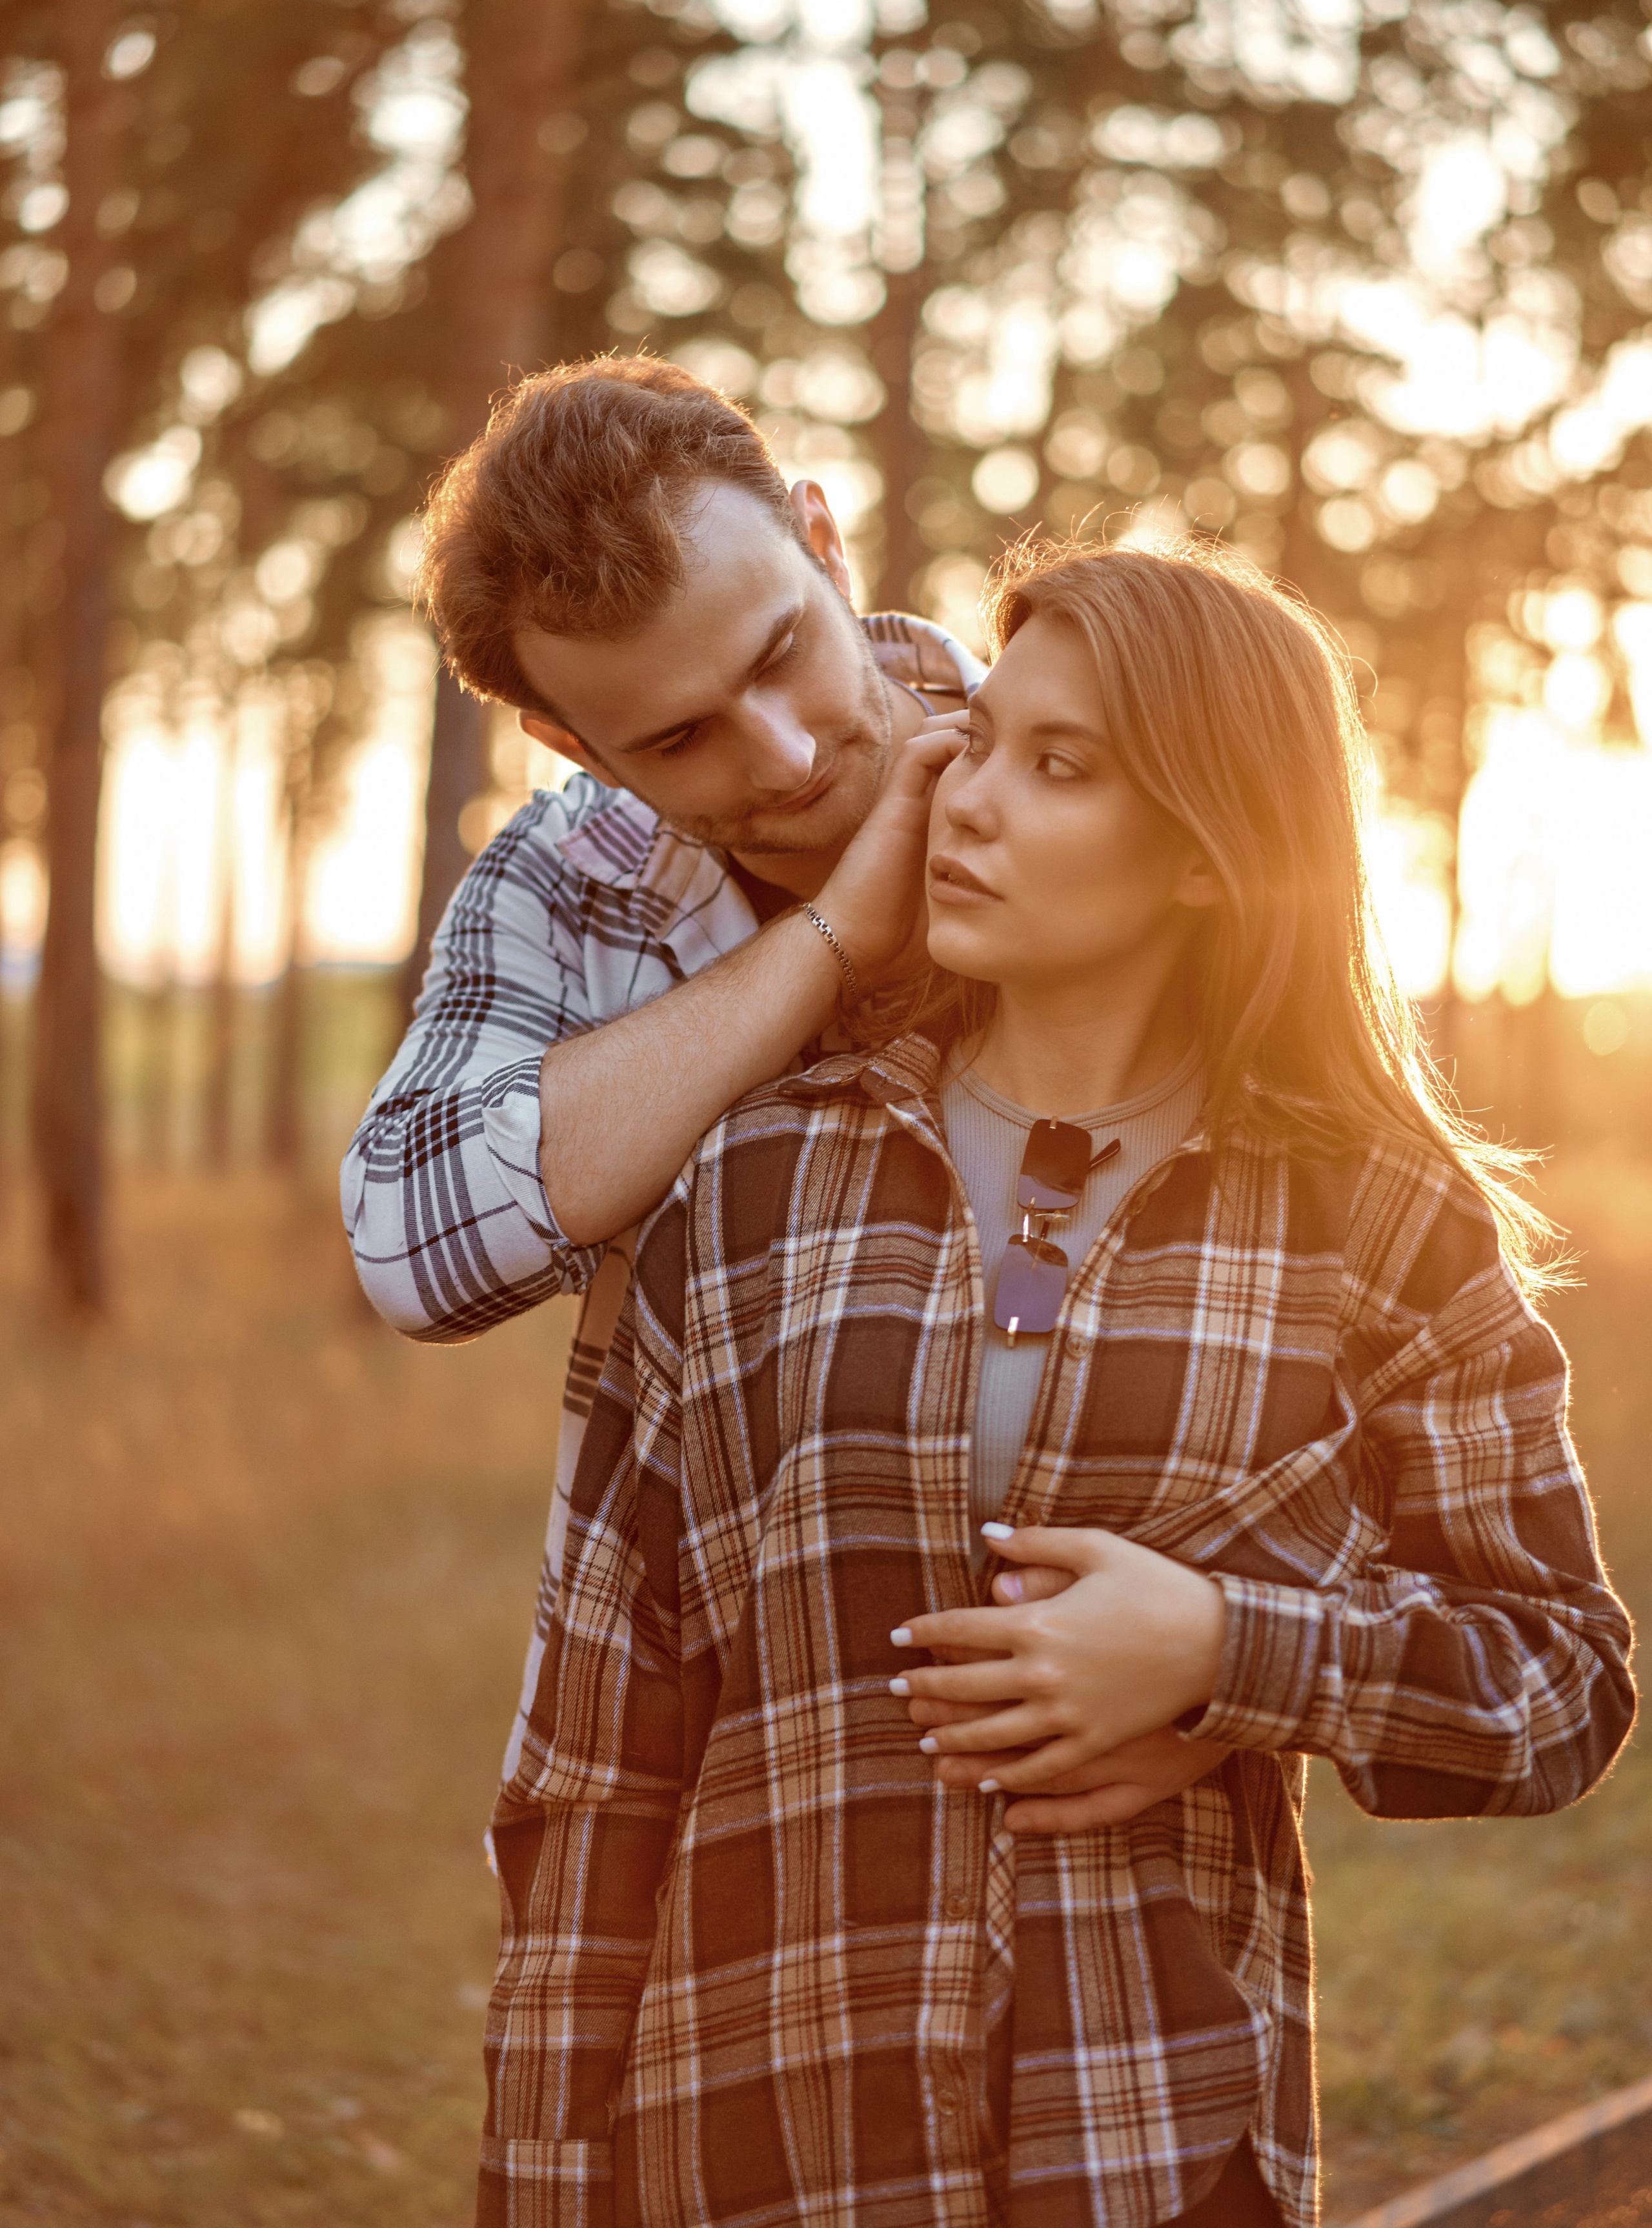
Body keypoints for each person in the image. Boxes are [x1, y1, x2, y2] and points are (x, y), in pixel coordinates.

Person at [480, 537, 1633, 2228]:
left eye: (1060, 766)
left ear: (1208, 849)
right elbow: (595, 1750)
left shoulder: (1379, 1220)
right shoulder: (748, 1182)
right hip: (763, 2137)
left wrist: (1229, 1650)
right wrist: (536, 2178)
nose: (966, 800)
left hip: (1153, 2138)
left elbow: (1563, 1682)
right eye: (979, 742)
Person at [346, 354, 1205, 1832]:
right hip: (717, 1746)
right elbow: (414, 1247)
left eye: (777, 654)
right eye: (678, 738)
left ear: (820, 537)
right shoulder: (565, 893)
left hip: (1117, 1779)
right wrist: (820, 950)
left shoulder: (1111, 765)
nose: (787, 754)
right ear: (568, 743)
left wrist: (1217, 1684)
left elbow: (1328, 1251)